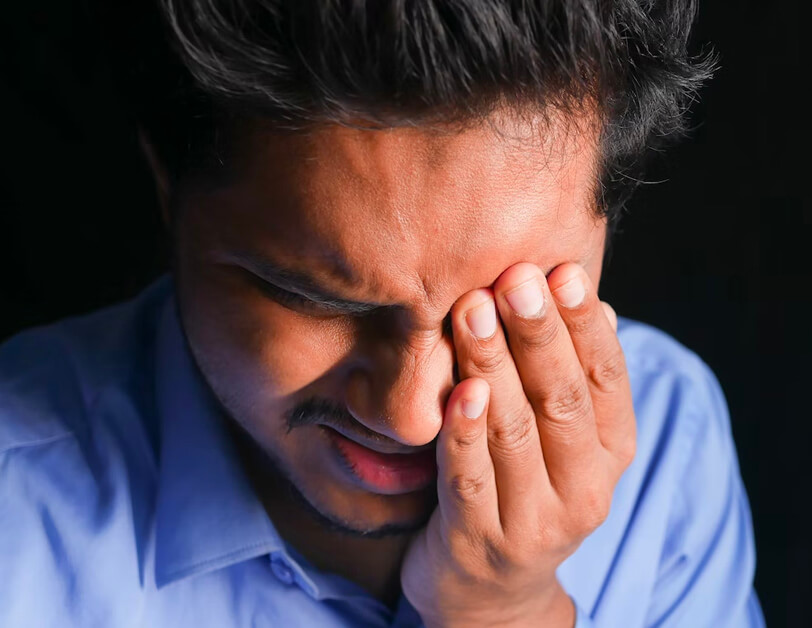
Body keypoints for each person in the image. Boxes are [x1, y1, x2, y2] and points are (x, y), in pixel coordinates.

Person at [0, 0, 764, 626]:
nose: (413, 417)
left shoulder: (668, 442)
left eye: (503, 305)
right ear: (169, 189)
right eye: (314, 300)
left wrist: (504, 613)